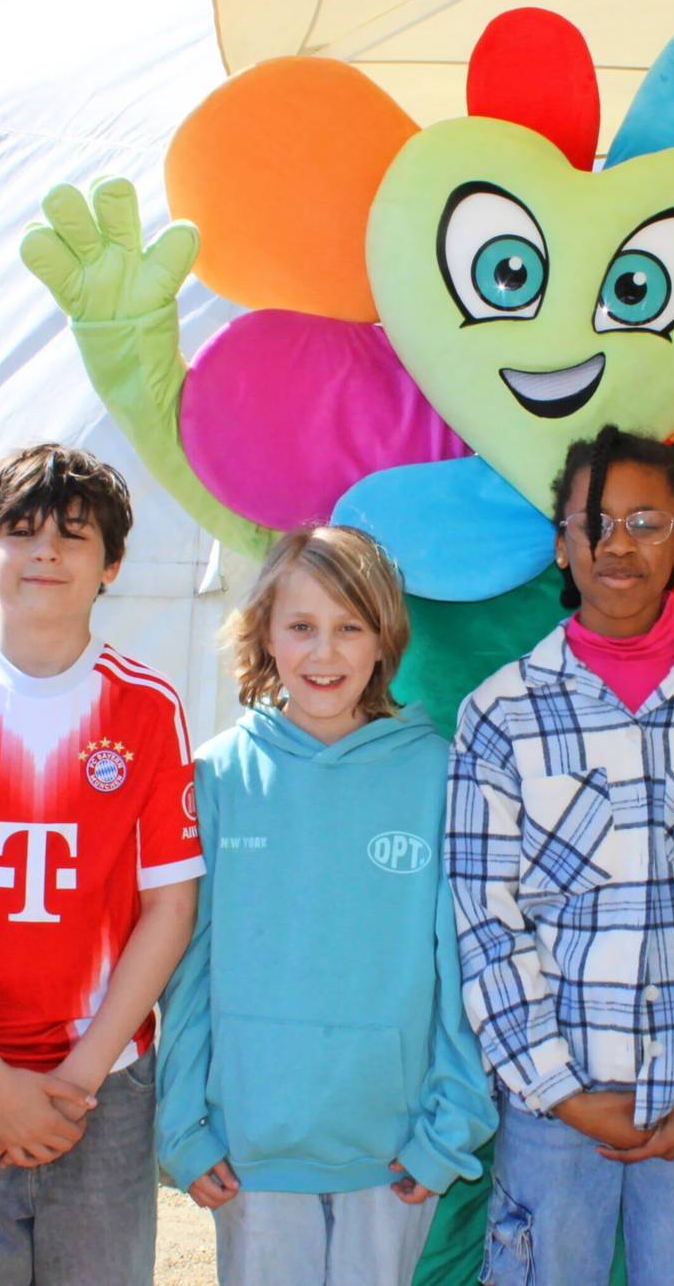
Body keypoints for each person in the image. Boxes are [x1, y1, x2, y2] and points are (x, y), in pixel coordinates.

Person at [448, 425, 674, 1286]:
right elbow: (486, 927)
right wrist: (560, 1088)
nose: (619, 544)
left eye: (646, 521)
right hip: (551, 1110)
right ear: (562, 544)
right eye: (595, 522)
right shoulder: (500, 716)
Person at [0, 444, 200, 1286]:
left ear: (112, 565)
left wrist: (79, 1079)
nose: (46, 551)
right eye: (21, 531)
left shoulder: (149, 707)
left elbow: (169, 908)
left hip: (106, 1086)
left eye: (74, 535)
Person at [158, 525, 497, 1285]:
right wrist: (184, 1124)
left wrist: (450, 1126)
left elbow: (467, 970)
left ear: (385, 639)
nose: (325, 652)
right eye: (302, 627)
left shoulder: (437, 775)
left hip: (391, 1146)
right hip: (255, 1149)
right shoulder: (219, 775)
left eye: (350, 628)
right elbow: (185, 966)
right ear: (266, 634)